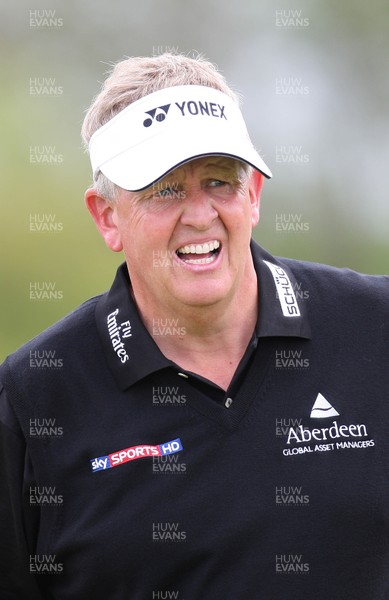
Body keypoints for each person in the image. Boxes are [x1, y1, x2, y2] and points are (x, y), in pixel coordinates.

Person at [0, 53, 388, 600]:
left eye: (218, 181)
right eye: (164, 189)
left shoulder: (376, 329)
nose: (200, 215)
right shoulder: (33, 396)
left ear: (252, 194)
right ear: (106, 216)